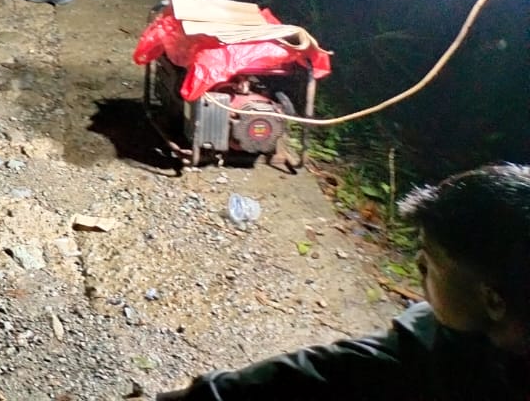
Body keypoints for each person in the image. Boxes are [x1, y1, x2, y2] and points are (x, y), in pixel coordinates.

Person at [157, 163, 530, 398]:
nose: (418, 267)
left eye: (430, 262)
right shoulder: (445, 341)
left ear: (494, 301)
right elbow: (324, 372)